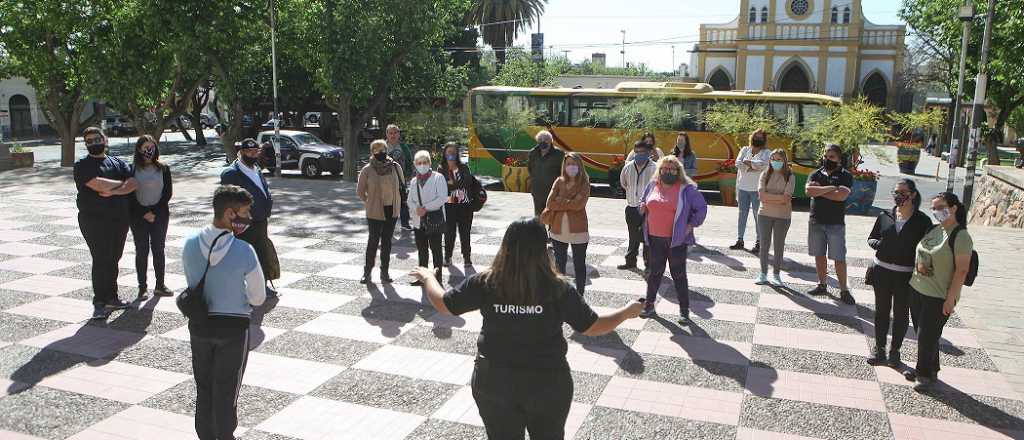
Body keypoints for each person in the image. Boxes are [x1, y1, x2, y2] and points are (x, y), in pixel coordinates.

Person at [409, 218, 644, 440]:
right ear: (544, 249)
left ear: (506, 247)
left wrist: (428, 277)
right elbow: (592, 326)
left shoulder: (487, 282)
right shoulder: (558, 288)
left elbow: (444, 304)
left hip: (494, 381)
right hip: (548, 382)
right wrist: (626, 312)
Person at [183, 185, 266, 440]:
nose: (248, 218)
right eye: (244, 212)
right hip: (232, 327)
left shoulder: (190, 244)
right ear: (230, 214)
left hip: (200, 325)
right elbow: (258, 296)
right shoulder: (244, 251)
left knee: (204, 385)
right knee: (227, 389)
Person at [907, 192, 973, 392]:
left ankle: (924, 374)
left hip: (938, 295)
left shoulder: (960, 236)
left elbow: (962, 270)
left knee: (927, 335)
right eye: (934, 208)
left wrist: (951, 299)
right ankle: (931, 367)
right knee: (924, 333)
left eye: (940, 207)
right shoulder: (935, 229)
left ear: (953, 208)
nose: (936, 211)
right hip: (918, 288)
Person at [865, 179, 932, 368]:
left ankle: (895, 351)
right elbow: (872, 237)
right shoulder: (885, 215)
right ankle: (879, 349)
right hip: (881, 271)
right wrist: (877, 244)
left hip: (905, 275)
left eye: (903, 192)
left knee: (901, 314)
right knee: (881, 312)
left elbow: (927, 247)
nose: (898, 196)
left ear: (913, 195)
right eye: (896, 192)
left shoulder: (922, 221)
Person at [74, 126, 137, 320]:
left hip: (119, 219)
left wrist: (114, 191)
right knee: (100, 258)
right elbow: (97, 184)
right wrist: (121, 185)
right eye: (89, 141)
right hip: (93, 220)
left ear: (105, 140)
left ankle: (112, 297)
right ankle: (99, 302)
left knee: (114, 257)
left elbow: (134, 183)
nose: (94, 143)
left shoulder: (117, 162)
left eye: (96, 139)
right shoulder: (82, 165)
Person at [638, 155, 708, 323]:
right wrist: (642, 207)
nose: (668, 171)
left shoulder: (687, 189)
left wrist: (691, 225)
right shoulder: (652, 185)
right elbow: (643, 200)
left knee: (678, 275)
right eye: (664, 168)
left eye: (672, 169)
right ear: (659, 170)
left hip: (676, 240)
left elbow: (702, 208)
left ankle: (684, 311)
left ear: (678, 171)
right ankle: (649, 305)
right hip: (654, 238)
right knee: (654, 273)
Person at [220, 139, 280, 297]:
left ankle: (262, 284)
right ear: (241, 152)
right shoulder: (231, 173)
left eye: (256, 152)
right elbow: (226, 199)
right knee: (246, 255)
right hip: (243, 221)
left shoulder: (256, 169)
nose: (253, 155)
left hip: (260, 219)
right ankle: (245, 287)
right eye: (249, 152)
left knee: (261, 251)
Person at [805, 144, 855, 304]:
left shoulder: (845, 175)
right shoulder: (815, 173)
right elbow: (809, 192)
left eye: (831, 157)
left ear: (839, 159)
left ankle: (844, 290)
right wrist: (832, 188)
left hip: (835, 223)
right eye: (826, 156)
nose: (827, 159)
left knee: (839, 257)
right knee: (819, 255)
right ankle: (822, 284)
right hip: (816, 221)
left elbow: (841, 196)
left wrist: (821, 191)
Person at [130, 135, 173, 300]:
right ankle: (142, 288)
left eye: (151, 147)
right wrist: (144, 212)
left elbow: (167, 194)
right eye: (145, 147)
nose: (148, 150)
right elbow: (129, 195)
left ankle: (160, 285)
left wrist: (153, 212)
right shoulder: (131, 169)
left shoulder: (164, 169)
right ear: (139, 149)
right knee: (141, 251)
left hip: (159, 216)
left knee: (159, 249)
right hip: (138, 216)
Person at [541, 152, 591, 295]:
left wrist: (560, 200)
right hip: (558, 230)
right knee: (559, 265)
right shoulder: (559, 181)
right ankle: (560, 295)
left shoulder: (584, 184)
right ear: (564, 166)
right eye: (568, 164)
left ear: (579, 166)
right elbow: (549, 203)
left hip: (578, 232)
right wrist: (569, 202)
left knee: (579, 265)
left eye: (574, 164)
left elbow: (579, 205)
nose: (571, 167)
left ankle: (580, 296)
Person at [357, 139, 405, 284]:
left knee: (387, 242)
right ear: (372, 153)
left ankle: (385, 273)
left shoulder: (395, 167)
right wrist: (370, 202)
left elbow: (402, 186)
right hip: (375, 211)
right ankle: (367, 272)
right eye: (377, 151)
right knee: (373, 241)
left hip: (392, 209)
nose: (380, 153)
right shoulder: (367, 169)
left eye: (383, 150)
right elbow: (360, 191)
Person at [755, 149, 795, 286]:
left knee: (779, 246)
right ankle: (763, 274)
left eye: (778, 159)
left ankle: (776, 275)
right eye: (773, 159)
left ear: (784, 160)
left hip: (783, 217)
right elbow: (761, 196)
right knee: (764, 246)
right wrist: (778, 198)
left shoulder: (790, 176)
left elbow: (786, 198)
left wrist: (769, 197)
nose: (775, 162)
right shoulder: (764, 174)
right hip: (764, 214)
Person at [407, 150, 448, 286]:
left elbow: (442, 198)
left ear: (429, 163)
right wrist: (416, 209)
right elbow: (409, 200)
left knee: (436, 250)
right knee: (422, 251)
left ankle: (437, 278)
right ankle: (422, 278)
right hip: (419, 221)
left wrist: (425, 208)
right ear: (415, 164)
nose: (422, 165)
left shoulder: (438, 177)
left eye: (425, 162)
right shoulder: (414, 181)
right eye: (419, 163)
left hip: (434, 220)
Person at [730, 129, 771, 254]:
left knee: (757, 216)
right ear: (751, 137)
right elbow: (738, 163)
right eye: (755, 136)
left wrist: (748, 164)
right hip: (743, 187)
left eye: (760, 137)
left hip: (757, 189)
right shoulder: (745, 150)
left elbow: (765, 166)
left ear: (764, 139)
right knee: (742, 215)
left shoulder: (767, 152)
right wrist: (754, 167)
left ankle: (759, 242)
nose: (757, 139)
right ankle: (740, 240)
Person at [618, 141, 657, 272]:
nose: (640, 155)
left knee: (648, 238)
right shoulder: (628, 167)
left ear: (648, 153)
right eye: (637, 152)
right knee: (633, 236)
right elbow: (623, 183)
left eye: (643, 152)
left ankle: (649, 265)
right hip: (631, 207)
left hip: (649, 210)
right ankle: (630, 261)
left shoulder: (655, 168)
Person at [439, 142, 474, 266]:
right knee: (449, 233)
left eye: (453, 152)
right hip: (450, 205)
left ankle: (467, 257)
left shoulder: (464, 167)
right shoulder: (441, 169)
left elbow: (468, 182)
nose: (451, 154)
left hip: (465, 205)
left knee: (465, 232)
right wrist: (457, 183)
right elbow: (442, 186)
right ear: (444, 153)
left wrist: (452, 184)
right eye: (449, 152)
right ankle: (447, 257)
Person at [527, 130, 565, 216]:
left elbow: (563, 172)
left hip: (553, 192)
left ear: (550, 141)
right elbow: (530, 168)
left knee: (553, 216)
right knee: (538, 217)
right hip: (537, 191)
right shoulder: (533, 153)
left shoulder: (559, 154)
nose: (542, 142)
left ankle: (552, 230)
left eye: (545, 139)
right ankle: (539, 229)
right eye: (540, 140)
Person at [385, 124, 414, 230]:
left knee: (403, 200)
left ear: (398, 134)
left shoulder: (403, 146)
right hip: (385, 180)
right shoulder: (382, 146)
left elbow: (409, 162)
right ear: (387, 134)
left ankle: (405, 223)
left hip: (401, 178)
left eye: (395, 133)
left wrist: (408, 175)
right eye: (390, 133)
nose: (393, 135)